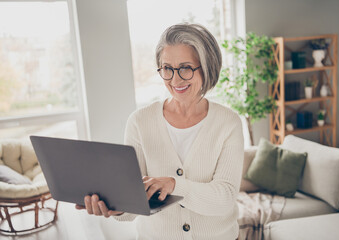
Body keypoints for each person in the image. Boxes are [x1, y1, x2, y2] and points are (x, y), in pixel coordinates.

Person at [76, 23, 244, 240]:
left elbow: (225, 198)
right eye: (167, 68)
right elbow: (131, 204)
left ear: (207, 66)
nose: (175, 80)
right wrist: (115, 207)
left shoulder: (228, 122)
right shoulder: (139, 122)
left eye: (185, 68)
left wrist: (174, 184)